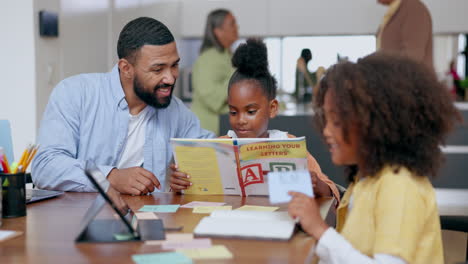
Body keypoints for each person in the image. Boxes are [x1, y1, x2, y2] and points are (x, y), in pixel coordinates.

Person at [288, 52, 460, 263]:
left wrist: (320, 230)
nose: (326, 131)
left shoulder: (399, 186)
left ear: (376, 124)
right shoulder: (367, 177)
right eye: (327, 119)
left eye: (337, 122)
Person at [32, 17, 214, 195]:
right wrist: (110, 177)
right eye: (158, 69)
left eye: (174, 65)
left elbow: (209, 149)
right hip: (83, 219)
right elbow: (45, 167)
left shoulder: (175, 109)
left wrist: (228, 148)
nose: (170, 78)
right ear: (126, 68)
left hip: (146, 219)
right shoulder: (75, 93)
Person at [170, 39, 340, 201]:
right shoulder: (218, 147)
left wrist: (317, 185)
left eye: (250, 111)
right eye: (233, 112)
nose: (241, 120)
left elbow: (331, 191)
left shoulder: (288, 145)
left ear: (272, 108)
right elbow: (190, 196)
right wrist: (179, 187)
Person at [191, 9, 239, 135]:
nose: (237, 27)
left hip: (221, 127)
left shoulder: (227, 54)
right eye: (232, 24)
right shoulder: (208, 58)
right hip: (208, 129)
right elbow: (211, 97)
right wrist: (236, 76)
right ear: (218, 32)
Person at [376, 0, 433, 70]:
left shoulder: (413, 8)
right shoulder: (393, 12)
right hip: (395, 78)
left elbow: (412, 57)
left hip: (409, 79)